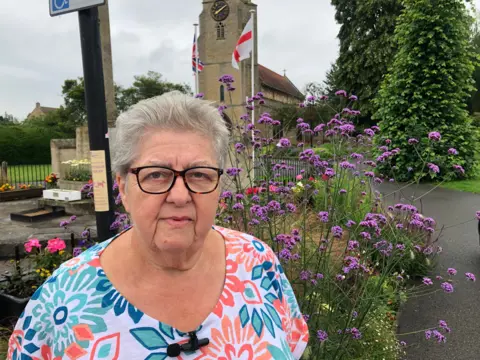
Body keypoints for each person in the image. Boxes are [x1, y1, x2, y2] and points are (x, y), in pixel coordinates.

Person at [7, 92, 309, 359]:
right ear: (123, 188)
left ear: (219, 186)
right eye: (156, 174)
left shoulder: (258, 262)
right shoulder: (62, 301)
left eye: (200, 174)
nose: (179, 195)